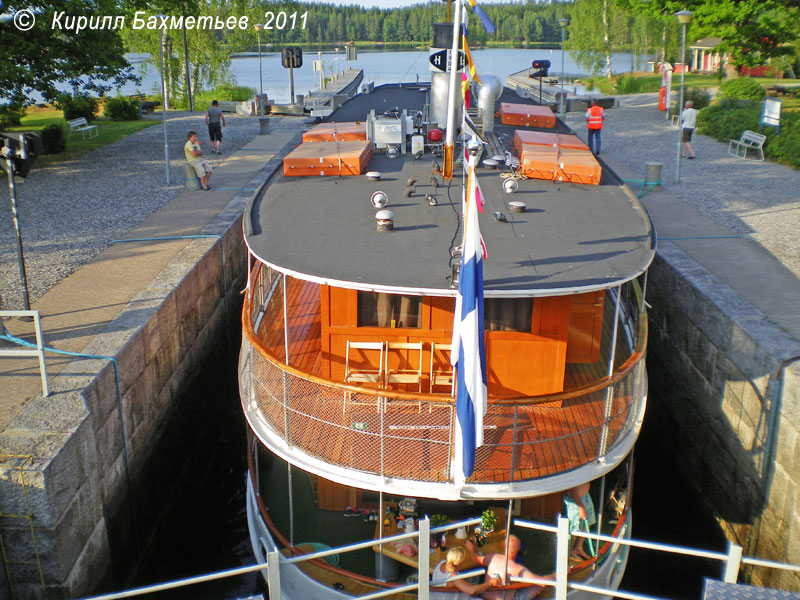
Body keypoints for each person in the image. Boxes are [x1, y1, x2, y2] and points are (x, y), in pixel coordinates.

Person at [465, 536, 546, 600]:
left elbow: (476, 559)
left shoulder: (493, 558)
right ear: (518, 550)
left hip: (487, 597)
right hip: (510, 597)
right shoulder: (520, 569)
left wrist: (472, 549)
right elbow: (541, 583)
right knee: (537, 587)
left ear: (504, 547)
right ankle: (555, 576)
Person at [431, 546, 502, 600]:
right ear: (461, 563)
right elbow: (472, 590)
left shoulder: (441, 563)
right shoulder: (454, 579)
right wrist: (490, 584)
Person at [564, 483, 596, 561]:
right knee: (575, 527)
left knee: (589, 521)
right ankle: (570, 552)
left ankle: (578, 547)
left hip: (585, 496)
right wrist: (580, 506)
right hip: (574, 500)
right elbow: (571, 488)